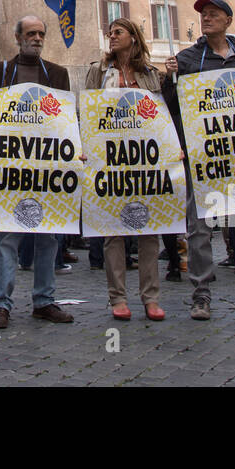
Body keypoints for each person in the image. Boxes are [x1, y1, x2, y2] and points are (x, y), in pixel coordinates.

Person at [161, 0, 235, 322]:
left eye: (213, 14)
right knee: (199, 229)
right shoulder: (185, 60)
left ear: (228, 20)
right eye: (203, 15)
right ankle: (201, 294)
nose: (206, 18)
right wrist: (168, 81)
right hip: (203, 159)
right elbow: (171, 106)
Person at [0, 15, 75, 329]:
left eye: (41, 34)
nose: (37, 38)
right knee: (7, 236)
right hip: (9, 169)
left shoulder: (58, 74)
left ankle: (44, 301)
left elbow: (67, 119)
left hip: (46, 169)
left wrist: (75, 147)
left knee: (48, 237)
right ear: (17, 37)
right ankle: (0, 305)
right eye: (31, 33)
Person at [85, 17, 166, 321]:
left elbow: (162, 116)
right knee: (113, 231)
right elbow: (88, 111)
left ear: (133, 37)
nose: (111, 36)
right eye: (109, 33)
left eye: (118, 32)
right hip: (110, 157)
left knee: (149, 229)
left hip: (146, 158)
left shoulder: (151, 75)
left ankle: (151, 297)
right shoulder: (98, 71)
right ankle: (117, 297)